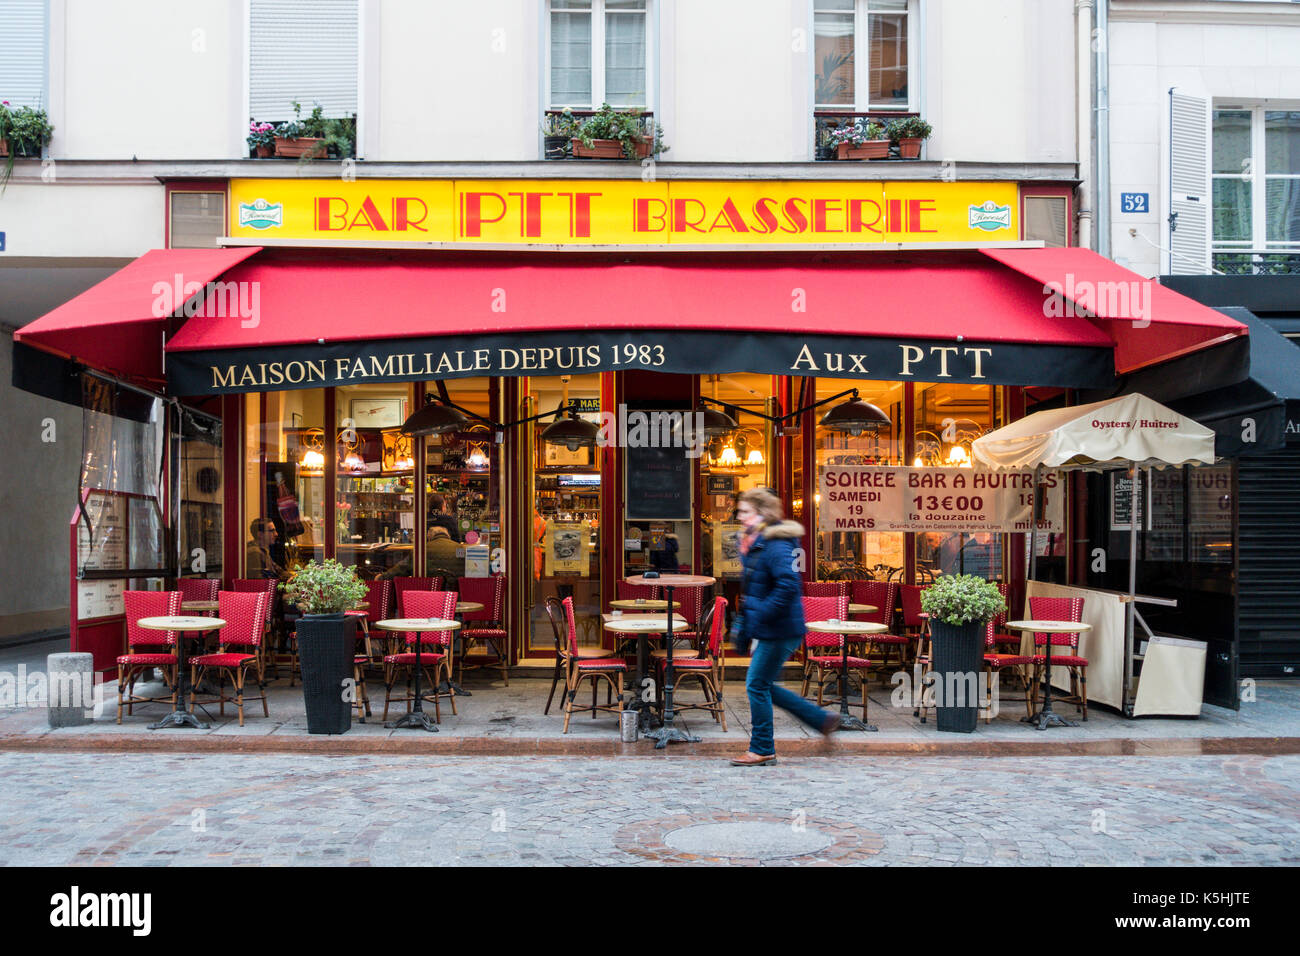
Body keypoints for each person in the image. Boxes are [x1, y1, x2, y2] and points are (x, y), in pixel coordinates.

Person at [730, 487, 837, 766]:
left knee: (756, 684)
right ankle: (822, 720)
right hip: (774, 626)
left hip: (780, 627)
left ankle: (763, 747)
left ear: (761, 513)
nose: (739, 516)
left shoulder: (775, 543)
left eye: (745, 512)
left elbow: (789, 586)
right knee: (763, 684)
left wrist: (761, 614)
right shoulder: (757, 542)